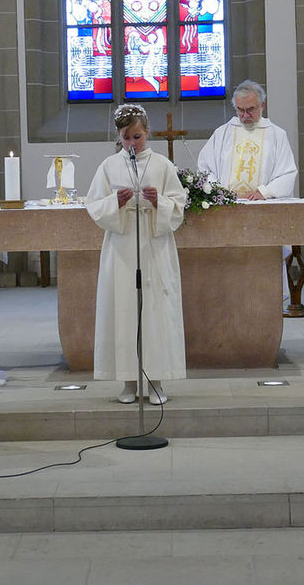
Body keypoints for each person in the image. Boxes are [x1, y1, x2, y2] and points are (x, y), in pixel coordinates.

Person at [87, 104, 187, 405]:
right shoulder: (108, 166)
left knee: (154, 312)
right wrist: (114, 203)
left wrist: (161, 203)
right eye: (127, 138)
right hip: (122, 246)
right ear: (119, 136)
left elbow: (178, 205)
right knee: (124, 311)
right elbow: (94, 205)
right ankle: (129, 382)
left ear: (147, 132)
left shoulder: (162, 165)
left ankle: (155, 380)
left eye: (138, 137)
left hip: (154, 245)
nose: (133, 144)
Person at [197, 80, 297, 200]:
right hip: (227, 205)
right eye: (240, 110)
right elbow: (205, 168)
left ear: (262, 105)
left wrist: (264, 193)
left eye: (250, 109)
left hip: (262, 206)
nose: (245, 115)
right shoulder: (222, 133)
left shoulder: (276, 135)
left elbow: (286, 173)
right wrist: (219, 191)